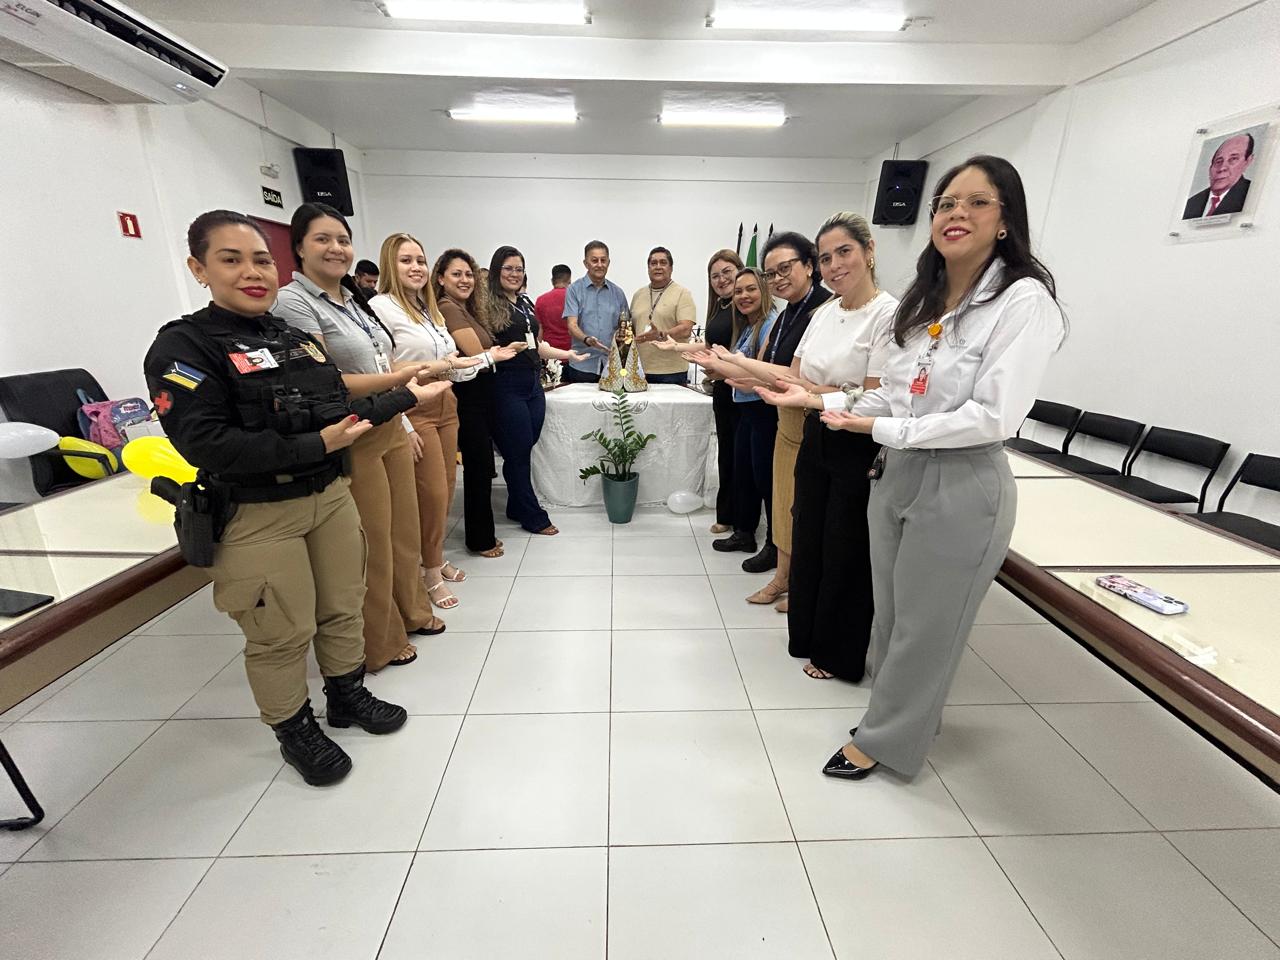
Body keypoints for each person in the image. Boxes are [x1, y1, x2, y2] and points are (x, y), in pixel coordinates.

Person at [144, 210, 446, 786]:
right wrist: (318, 442)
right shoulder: (183, 348)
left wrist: (404, 397)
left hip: (328, 495)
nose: (252, 273)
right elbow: (208, 444)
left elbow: (337, 404)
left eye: (261, 260)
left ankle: (347, 695)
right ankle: (295, 729)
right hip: (258, 514)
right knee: (279, 630)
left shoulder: (293, 339)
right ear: (198, 268)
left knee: (341, 603)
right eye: (230, 260)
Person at [818, 155, 1065, 781]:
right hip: (897, 469)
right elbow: (898, 395)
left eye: (977, 203)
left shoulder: (1022, 300)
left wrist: (879, 427)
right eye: (947, 204)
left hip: (962, 481)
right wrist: (831, 404)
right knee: (895, 615)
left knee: (930, 627)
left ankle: (886, 741)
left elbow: (992, 416)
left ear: (1006, 219)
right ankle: (893, 715)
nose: (957, 214)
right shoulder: (926, 297)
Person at [275, 203, 444, 672]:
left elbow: (379, 364)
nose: (336, 248)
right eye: (323, 239)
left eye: (343, 240)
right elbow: (325, 381)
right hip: (352, 429)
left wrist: (407, 392)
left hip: (389, 417)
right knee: (371, 540)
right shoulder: (294, 302)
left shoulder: (352, 299)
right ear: (299, 247)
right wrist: (407, 379)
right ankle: (380, 639)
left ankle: (411, 610)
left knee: (403, 530)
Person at [750, 213, 897, 679]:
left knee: (845, 548)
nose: (834, 266)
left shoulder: (888, 314)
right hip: (816, 432)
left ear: (869, 251)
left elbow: (876, 396)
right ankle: (808, 636)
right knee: (809, 536)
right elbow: (794, 375)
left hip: (857, 442)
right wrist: (737, 364)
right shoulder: (824, 313)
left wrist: (814, 395)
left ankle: (840, 653)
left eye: (844, 253)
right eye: (827, 257)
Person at [368, 233, 515, 610]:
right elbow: (380, 370)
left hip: (445, 403)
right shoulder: (381, 308)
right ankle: (428, 574)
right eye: (406, 261)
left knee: (446, 488)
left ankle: (431, 559)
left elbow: (451, 365)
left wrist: (484, 360)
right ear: (390, 265)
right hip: (413, 407)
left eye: (419, 259)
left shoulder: (428, 309)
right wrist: (401, 420)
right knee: (430, 493)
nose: (415, 267)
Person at [481, 246, 589, 535]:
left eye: (519, 268)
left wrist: (568, 355)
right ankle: (531, 514)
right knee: (517, 451)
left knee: (526, 445)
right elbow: (482, 346)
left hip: (532, 383)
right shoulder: (486, 305)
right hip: (505, 385)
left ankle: (515, 504)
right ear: (496, 271)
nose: (515, 274)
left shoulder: (525, 303)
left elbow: (535, 345)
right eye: (508, 268)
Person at [673, 269, 777, 560]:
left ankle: (772, 544)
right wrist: (715, 367)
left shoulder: (770, 324)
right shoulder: (748, 325)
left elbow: (760, 371)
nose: (743, 296)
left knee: (763, 479)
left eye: (750, 290)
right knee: (742, 471)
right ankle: (744, 532)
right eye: (739, 291)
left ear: (764, 291)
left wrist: (720, 367)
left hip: (762, 409)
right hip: (744, 406)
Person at [433, 248, 510, 557]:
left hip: (479, 396)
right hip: (468, 399)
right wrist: (495, 354)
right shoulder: (448, 307)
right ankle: (480, 539)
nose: (465, 280)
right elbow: (476, 352)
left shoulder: (465, 308)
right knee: (478, 468)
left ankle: (483, 534)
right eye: (456, 274)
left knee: (482, 467)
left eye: (468, 274)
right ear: (440, 278)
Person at [704, 250, 744, 534]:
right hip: (722, 390)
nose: (721, 279)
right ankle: (727, 514)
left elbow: (744, 353)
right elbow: (710, 348)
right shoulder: (719, 306)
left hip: (743, 389)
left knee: (741, 457)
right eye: (715, 275)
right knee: (727, 454)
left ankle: (743, 523)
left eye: (727, 272)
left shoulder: (744, 306)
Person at [563, 240, 629, 383]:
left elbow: (625, 327)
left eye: (603, 260)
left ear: (608, 263)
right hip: (582, 365)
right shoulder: (574, 290)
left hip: (612, 367)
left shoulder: (618, 293)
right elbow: (572, 325)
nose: (599, 264)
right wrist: (587, 339)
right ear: (586, 263)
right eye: (594, 260)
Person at [630, 246, 696, 385]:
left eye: (663, 263)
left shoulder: (682, 294)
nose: (658, 267)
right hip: (640, 370)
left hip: (672, 372)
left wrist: (660, 335)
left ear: (671, 268)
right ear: (648, 268)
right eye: (653, 263)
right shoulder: (638, 295)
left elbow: (685, 329)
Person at [1183, 132, 1255, 219]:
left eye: (1233, 159)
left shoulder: (1251, 194)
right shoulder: (1191, 203)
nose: (1222, 168)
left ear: (1248, 161)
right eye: (1218, 161)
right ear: (1210, 167)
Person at [536, 264, 573, 350]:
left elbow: (540, 331)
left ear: (552, 280)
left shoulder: (540, 300)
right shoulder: (575, 299)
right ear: (569, 280)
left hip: (550, 353)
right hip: (572, 352)